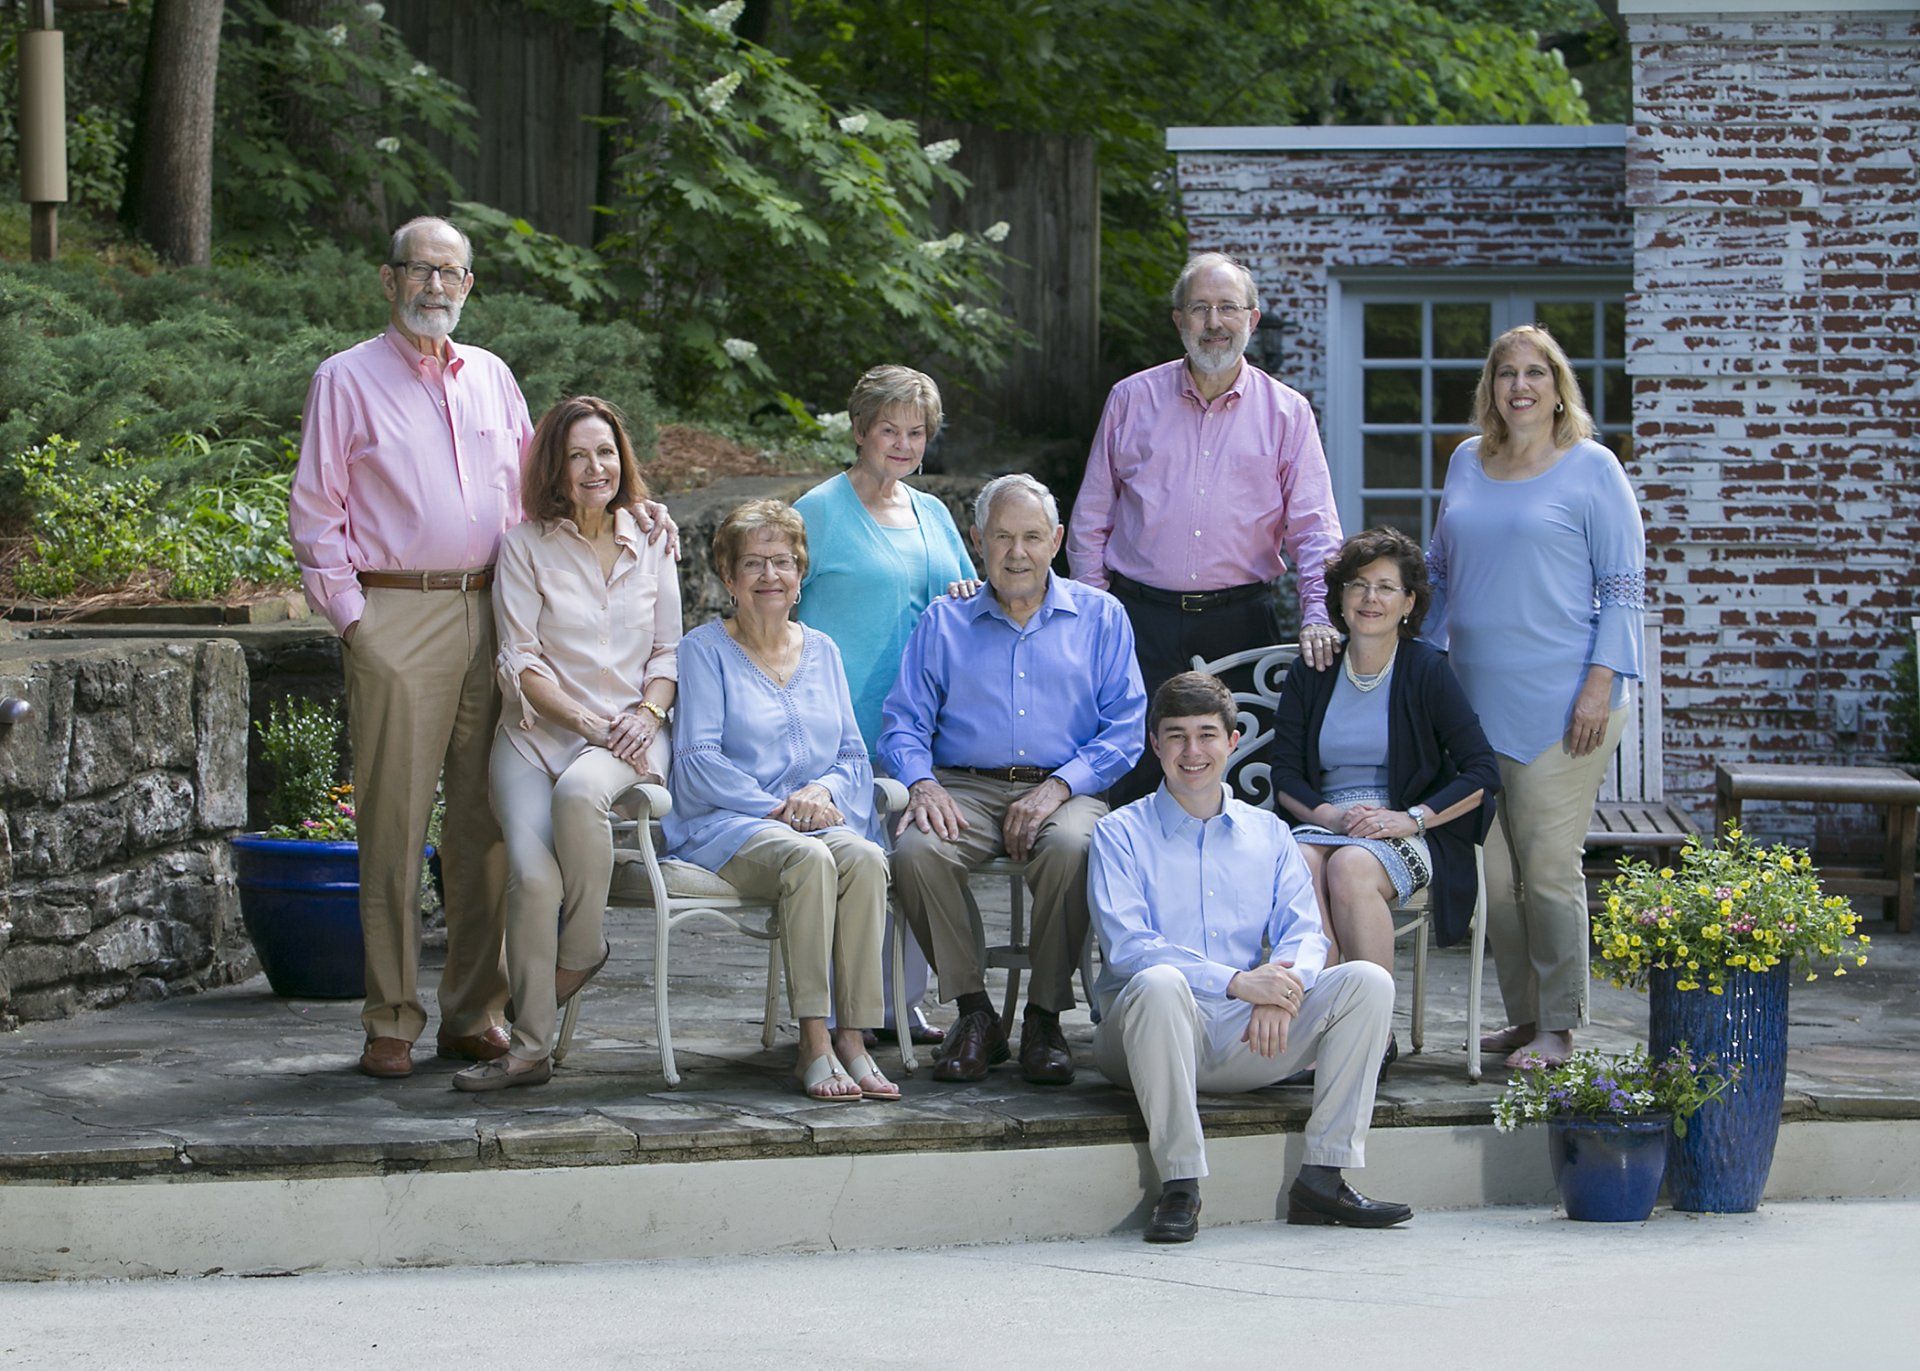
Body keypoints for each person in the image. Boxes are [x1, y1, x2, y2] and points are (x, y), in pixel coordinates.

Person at [290, 215, 675, 1080]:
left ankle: (474, 1010)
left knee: (486, 826)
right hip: (397, 614)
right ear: (389, 280)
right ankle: (391, 1016)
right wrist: (355, 620)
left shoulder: (495, 379)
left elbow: (552, 490)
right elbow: (316, 512)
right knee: (392, 823)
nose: (436, 286)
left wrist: (635, 509)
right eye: (420, 270)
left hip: (496, 613)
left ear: (469, 287)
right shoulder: (344, 379)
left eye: (452, 273)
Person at [1090, 672, 1410, 1244]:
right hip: (1146, 1035)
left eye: (1207, 735)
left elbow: (1305, 933)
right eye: (1177, 736)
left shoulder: (1270, 834)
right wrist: (1240, 983)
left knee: (1367, 980)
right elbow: (1129, 948)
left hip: (1247, 1038)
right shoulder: (1119, 832)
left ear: (1233, 741)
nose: (1194, 752)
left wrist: (1283, 990)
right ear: (1154, 744)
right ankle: (1181, 1184)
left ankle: (1324, 1178)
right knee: (1161, 981)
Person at [1425, 324, 1646, 1068]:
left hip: (1566, 705)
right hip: (1474, 706)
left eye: (1536, 373)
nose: (1520, 386)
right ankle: (1525, 1018)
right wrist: (1420, 666)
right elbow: (1441, 572)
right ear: (1490, 387)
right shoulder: (1465, 461)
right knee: (1496, 875)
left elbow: (1622, 587)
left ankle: (1561, 1023)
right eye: (1505, 373)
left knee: (1547, 867)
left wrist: (1599, 682)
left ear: (1558, 388)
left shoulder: (1592, 468)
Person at [880, 474, 1146, 1085]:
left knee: (1075, 847)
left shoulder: (1102, 618)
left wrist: (1058, 788)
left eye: (1031, 536)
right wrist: (922, 785)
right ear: (978, 541)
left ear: (1056, 540)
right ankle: (975, 1016)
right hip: (962, 787)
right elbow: (901, 725)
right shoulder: (943, 623)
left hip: (1064, 788)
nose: (1017, 552)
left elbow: (1127, 729)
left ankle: (1045, 1017)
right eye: (1002, 537)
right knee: (917, 849)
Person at [453, 397, 680, 1091]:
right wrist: (587, 721)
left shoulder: (653, 540)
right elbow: (518, 664)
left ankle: (581, 947)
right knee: (530, 874)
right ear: (554, 463)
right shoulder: (523, 547)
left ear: (623, 460)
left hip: (633, 736)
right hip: (535, 736)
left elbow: (667, 654)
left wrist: (643, 712)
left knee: (582, 790)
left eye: (606, 453)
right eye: (578, 455)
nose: (595, 468)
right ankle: (528, 1050)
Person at [1067, 251, 1344, 805]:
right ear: (1178, 320)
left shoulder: (1288, 413)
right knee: (1131, 778)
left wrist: (1318, 615)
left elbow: (1315, 532)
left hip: (1240, 624)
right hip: (1138, 625)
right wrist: (1098, 619)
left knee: (1240, 782)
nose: (1213, 323)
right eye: (1199, 308)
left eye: (1227, 308)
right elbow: (1089, 522)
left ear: (1252, 318)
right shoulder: (1131, 399)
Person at [664, 500, 897, 1102]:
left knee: (866, 858)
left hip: (814, 818)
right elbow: (697, 758)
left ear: (800, 575)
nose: (770, 575)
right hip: (730, 824)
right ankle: (813, 1043)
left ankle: (854, 1036)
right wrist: (778, 808)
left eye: (783, 562)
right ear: (728, 578)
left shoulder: (824, 650)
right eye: (754, 564)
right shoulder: (704, 649)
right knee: (809, 858)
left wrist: (820, 792)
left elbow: (851, 756)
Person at [1268, 528, 1500, 1074]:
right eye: (1359, 586)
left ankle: (1372, 1029)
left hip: (1403, 829)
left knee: (1350, 866)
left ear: (1409, 603)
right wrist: (1327, 815)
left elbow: (1482, 771)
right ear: (1341, 598)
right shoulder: (1314, 669)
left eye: (1386, 588)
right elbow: (1285, 775)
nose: (1371, 599)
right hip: (1324, 820)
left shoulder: (1426, 669)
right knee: (1299, 863)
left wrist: (1408, 817)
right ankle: (1313, 1026)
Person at [794, 365, 978, 1047]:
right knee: (856, 863)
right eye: (889, 429)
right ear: (860, 430)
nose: (903, 444)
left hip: (924, 723)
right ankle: (846, 1009)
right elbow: (773, 607)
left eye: (916, 432)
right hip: (842, 718)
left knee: (912, 860)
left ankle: (901, 1002)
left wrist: (964, 598)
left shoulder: (932, 513)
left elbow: (968, 593)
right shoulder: (817, 510)